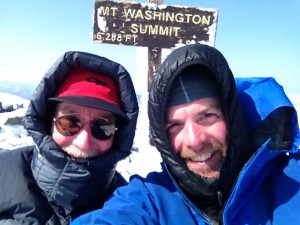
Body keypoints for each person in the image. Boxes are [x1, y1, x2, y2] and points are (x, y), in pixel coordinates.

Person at [71, 44, 300, 225]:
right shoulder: (150, 199)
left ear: (233, 118)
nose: (194, 140)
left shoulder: (291, 180)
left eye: (207, 116)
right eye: (175, 126)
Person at [0, 51, 139, 224]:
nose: (84, 142)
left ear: (118, 134)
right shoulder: (3, 172)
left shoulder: (130, 207)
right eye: (69, 123)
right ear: (47, 121)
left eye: (103, 127)